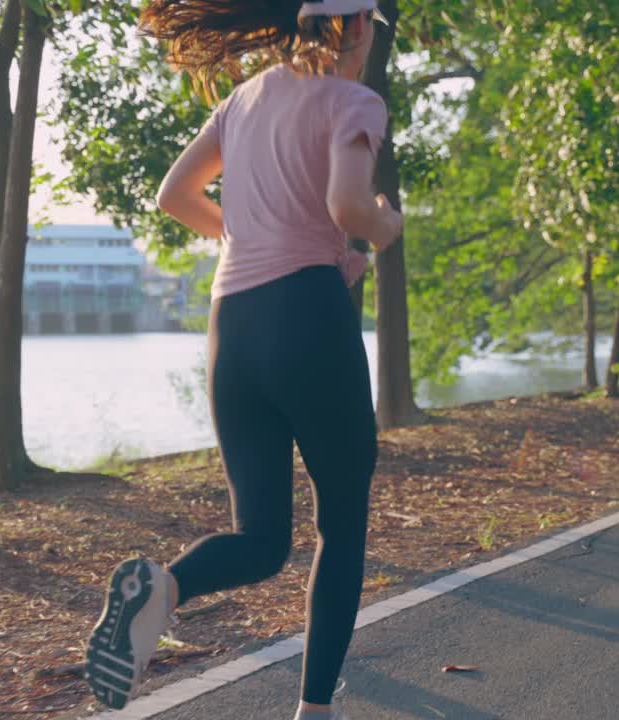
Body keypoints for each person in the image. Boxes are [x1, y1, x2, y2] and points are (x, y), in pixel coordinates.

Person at [85, 1, 401, 718]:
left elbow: (175, 195)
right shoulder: (355, 100)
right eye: (373, 30)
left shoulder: (244, 99)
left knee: (261, 539)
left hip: (234, 327)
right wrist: (385, 225)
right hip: (308, 322)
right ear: (355, 28)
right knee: (341, 525)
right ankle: (314, 711)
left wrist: (255, 241)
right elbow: (350, 206)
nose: (371, 43)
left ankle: (163, 589)